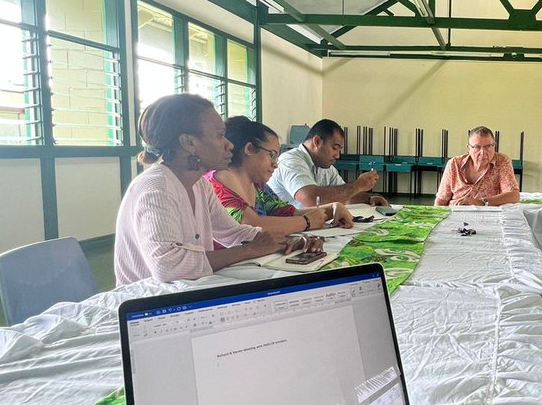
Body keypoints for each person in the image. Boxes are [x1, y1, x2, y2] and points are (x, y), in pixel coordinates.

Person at [114, 95, 322, 285]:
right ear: (189, 143)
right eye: (220, 135)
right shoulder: (156, 187)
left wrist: (285, 242)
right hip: (148, 303)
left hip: (185, 290)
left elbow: (233, 232)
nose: (229, 145)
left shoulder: (199, 185)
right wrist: (249, 250)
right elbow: (168, 265)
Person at [208, 116, 355, 236]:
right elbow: (253, 226)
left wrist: (333, 208)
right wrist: (306, 222)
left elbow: (287, 213)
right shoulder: (216, 188)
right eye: (271, 155)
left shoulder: (259, 187)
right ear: (250, 149)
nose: (275, 164)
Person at [267, 119, 389, 209]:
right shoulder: (290, 161)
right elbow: (311, 199)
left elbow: (345, 196)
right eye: (335, 148)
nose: (337, 155)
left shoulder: (325, 166)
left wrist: (370, 199)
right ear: (317, 141)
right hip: (287, 230)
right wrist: (357, 185)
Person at [434, 126, 521, 206]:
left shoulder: (502, 162)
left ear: (494, 146)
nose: (483, 152)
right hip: (455, 213)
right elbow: (441, 200)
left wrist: (482, 202)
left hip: (488, 216)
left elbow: (514, 196)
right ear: (468, 148)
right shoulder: (454, 164)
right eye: (477, 147)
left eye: (488, 147)